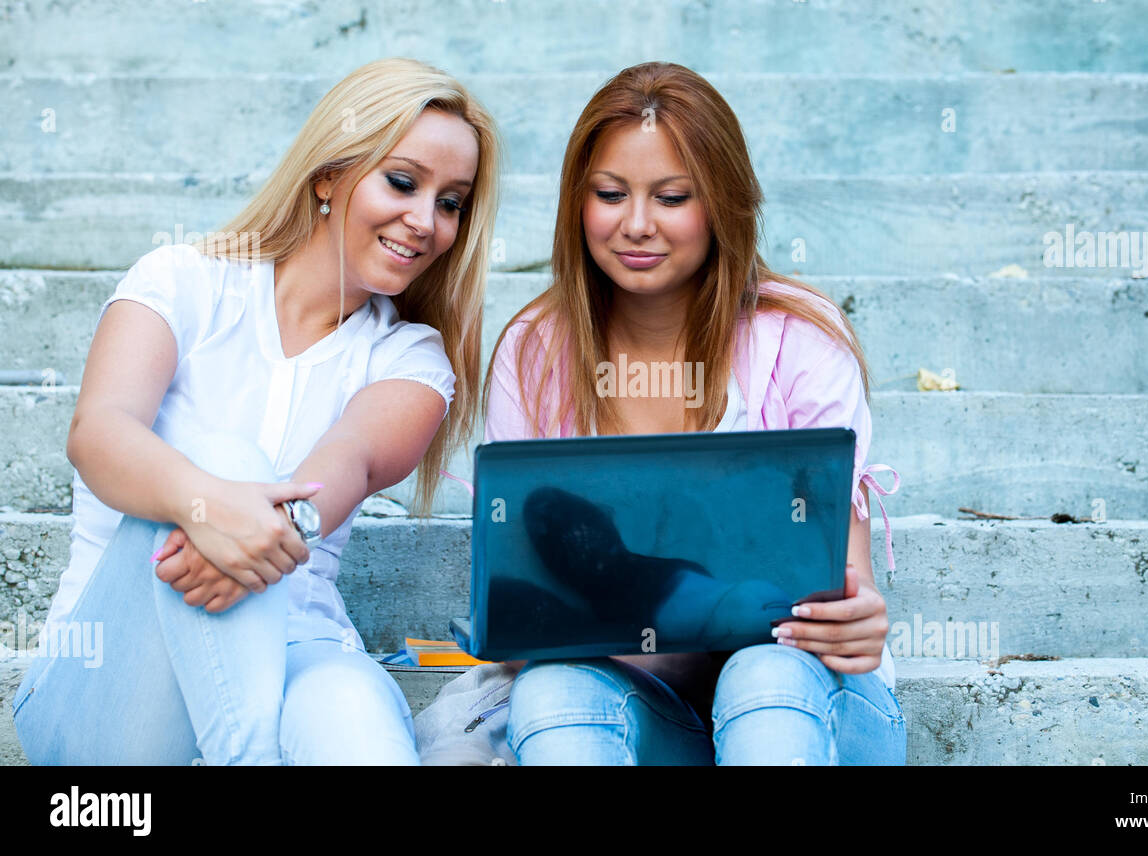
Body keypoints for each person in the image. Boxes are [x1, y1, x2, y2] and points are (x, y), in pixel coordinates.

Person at [11, 57, 501, 765]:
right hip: (109, 682)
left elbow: (353, 458)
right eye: (402, 181)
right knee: (223, 462)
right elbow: (98, 433)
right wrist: (210, 505)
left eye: (451, 202)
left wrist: (256, 536)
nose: (425, 221)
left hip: (302, 647)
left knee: (353, 710)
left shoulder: (411, 356)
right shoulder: (181, 281)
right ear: (329, 175)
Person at [482, 61, 906, 765]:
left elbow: (840, 586)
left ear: (722, 204)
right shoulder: (534, 352)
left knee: (761, 675)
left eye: (672, 197)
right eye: (610, 194)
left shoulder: (798, 338)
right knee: (552, 692)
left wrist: (854, 622)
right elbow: (532, 621)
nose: (637, 225)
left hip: (803, 703)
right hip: (647, 708)